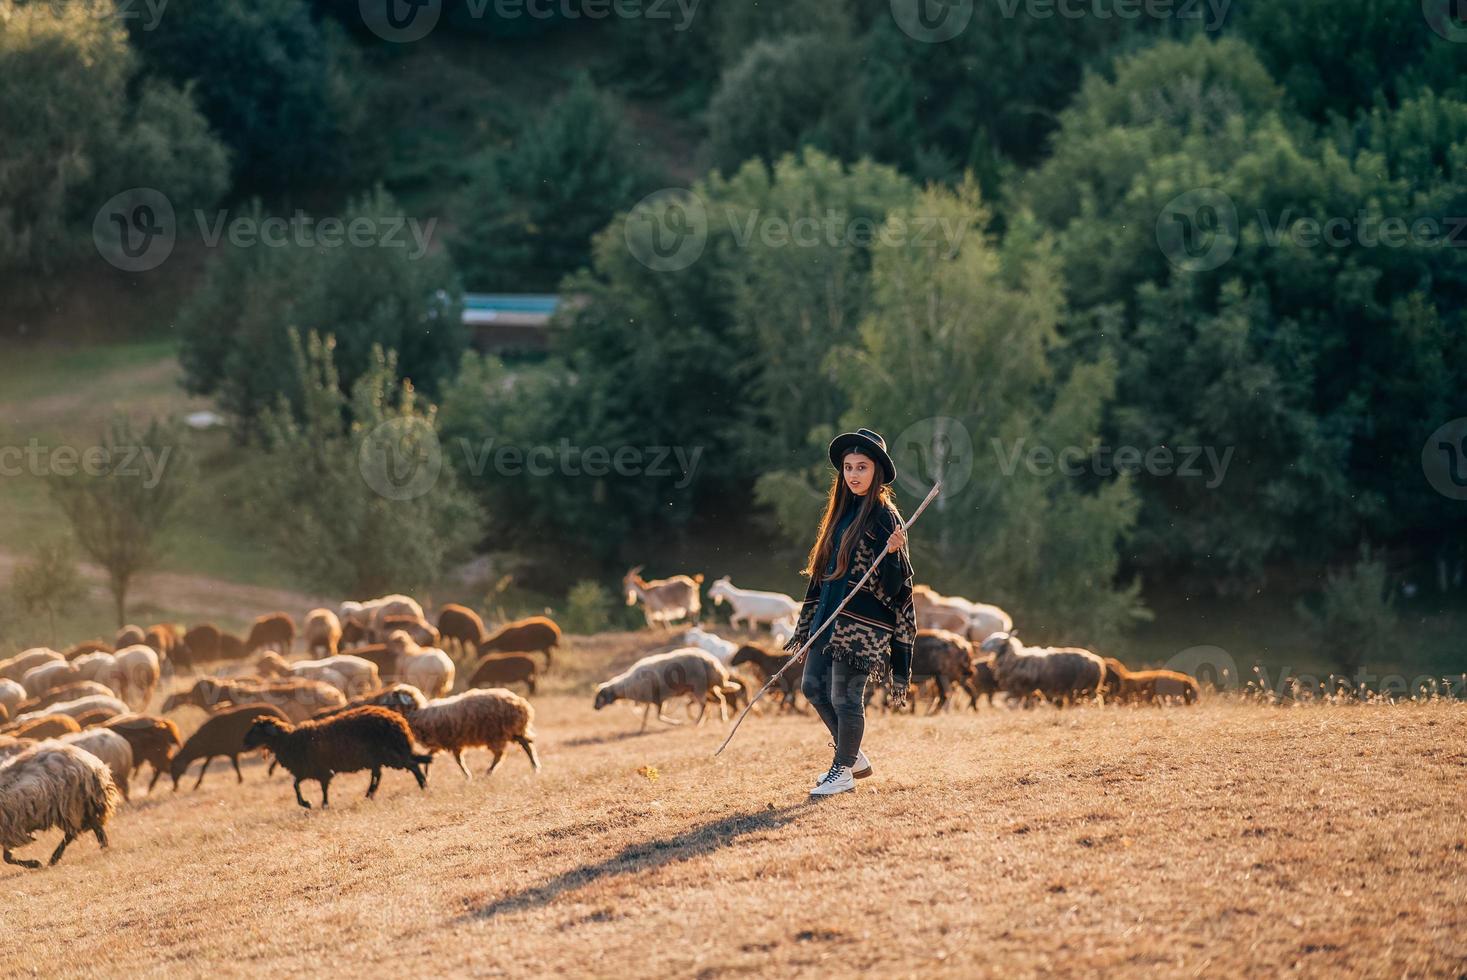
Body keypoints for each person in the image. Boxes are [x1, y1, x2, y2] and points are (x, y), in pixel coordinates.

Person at [783, 428, 916, 797]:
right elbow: (824, 572)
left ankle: (841, 771)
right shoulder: (841, 512)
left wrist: (893, 554)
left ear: (877, 472)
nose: (854, 474)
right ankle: (852, 756)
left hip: (861, 625)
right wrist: (812, 622)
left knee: (845, 697)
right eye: (848, 467)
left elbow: (895, 588)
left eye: (862, 467)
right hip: (827, 617)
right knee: (812, 687)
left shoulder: (885, 518)